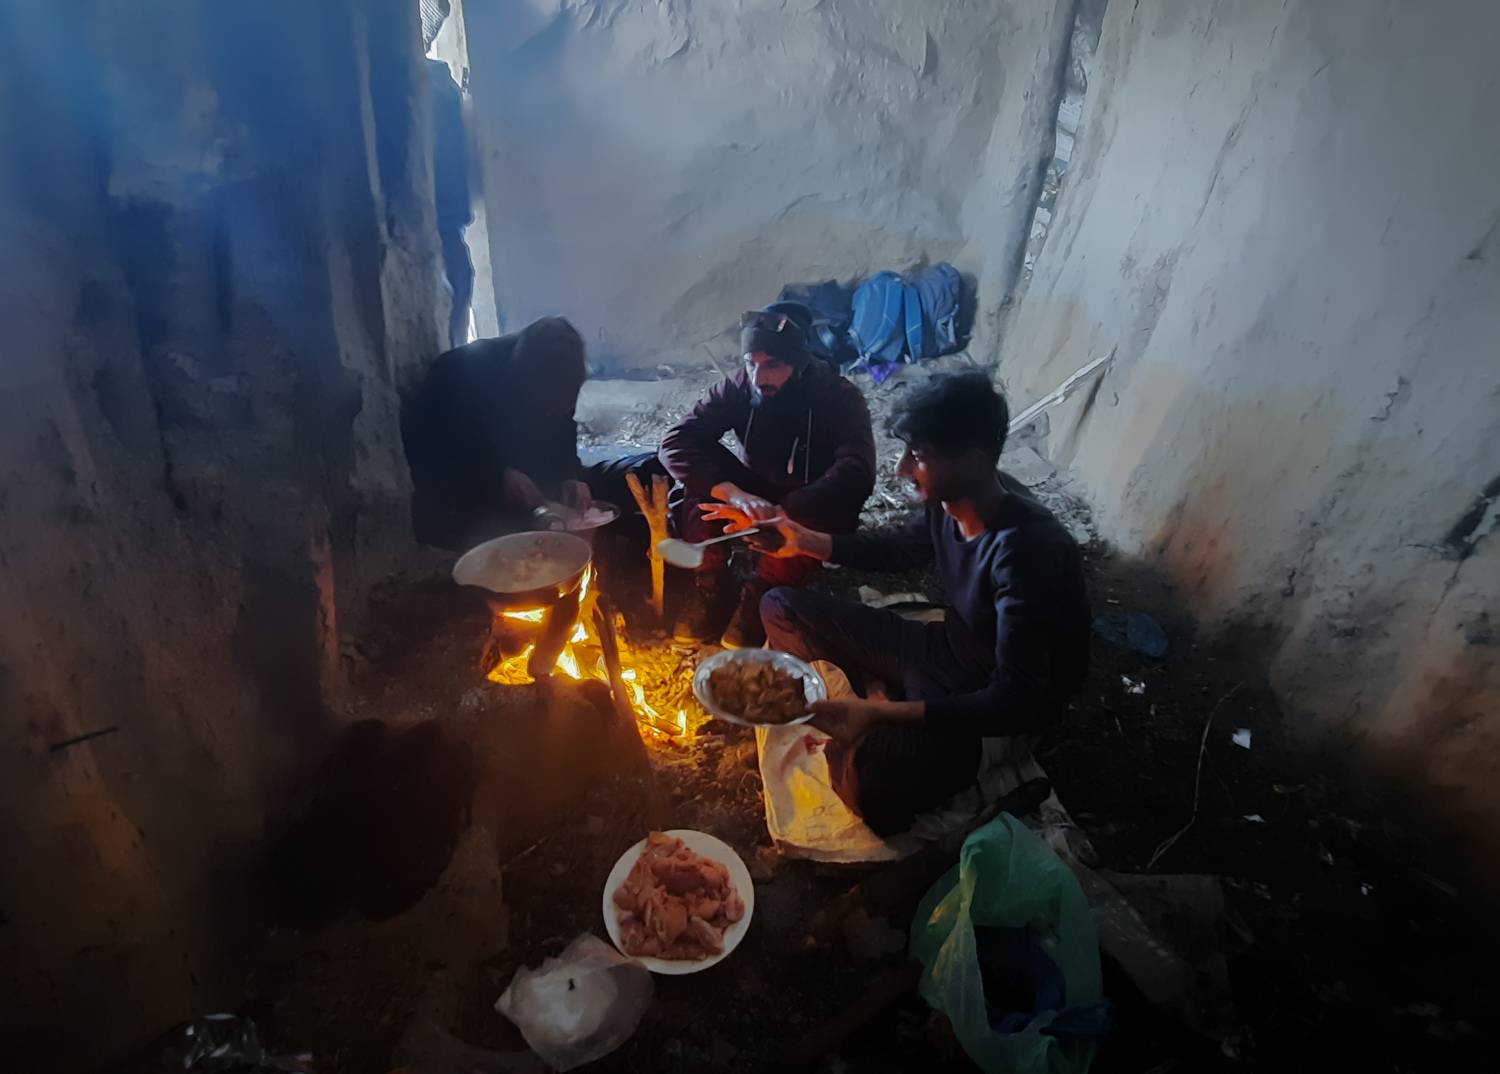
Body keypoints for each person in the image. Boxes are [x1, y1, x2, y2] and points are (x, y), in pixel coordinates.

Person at [751, 373, 1091, 836]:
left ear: (972, 458)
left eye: (918, 455)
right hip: (939, 649)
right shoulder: (948, 500)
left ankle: (879, 707)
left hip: (991, 707)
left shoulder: (1028, 552)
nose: (901, 469)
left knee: (868, 788)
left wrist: (881, 713)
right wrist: (802, 540)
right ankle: (878, 698)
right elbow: (898, 549)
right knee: (779, 606)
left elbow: (1015, 698)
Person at [659, 303, 876, 648]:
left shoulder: (838, 397)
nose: (759, 378)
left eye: (773, 365)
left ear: (799, 363)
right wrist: (733, 494)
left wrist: (785, 510)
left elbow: (857, 471)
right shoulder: (740, 386)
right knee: (698, 479)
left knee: (826, 505)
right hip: (755, 492)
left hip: (810, 500)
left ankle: (763, 590)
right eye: (751, 363)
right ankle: (711, 582)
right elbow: (676, 441)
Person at [402, 317, 592, 551]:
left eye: (563, 406)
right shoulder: (458, 376)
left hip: (526, 489)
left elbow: (563, 431)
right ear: (523, 383)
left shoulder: (561, 377)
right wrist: (496, 477)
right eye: (547, 407)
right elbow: (433, 459)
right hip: (461, 497)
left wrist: (569, 476)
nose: (553, 413)